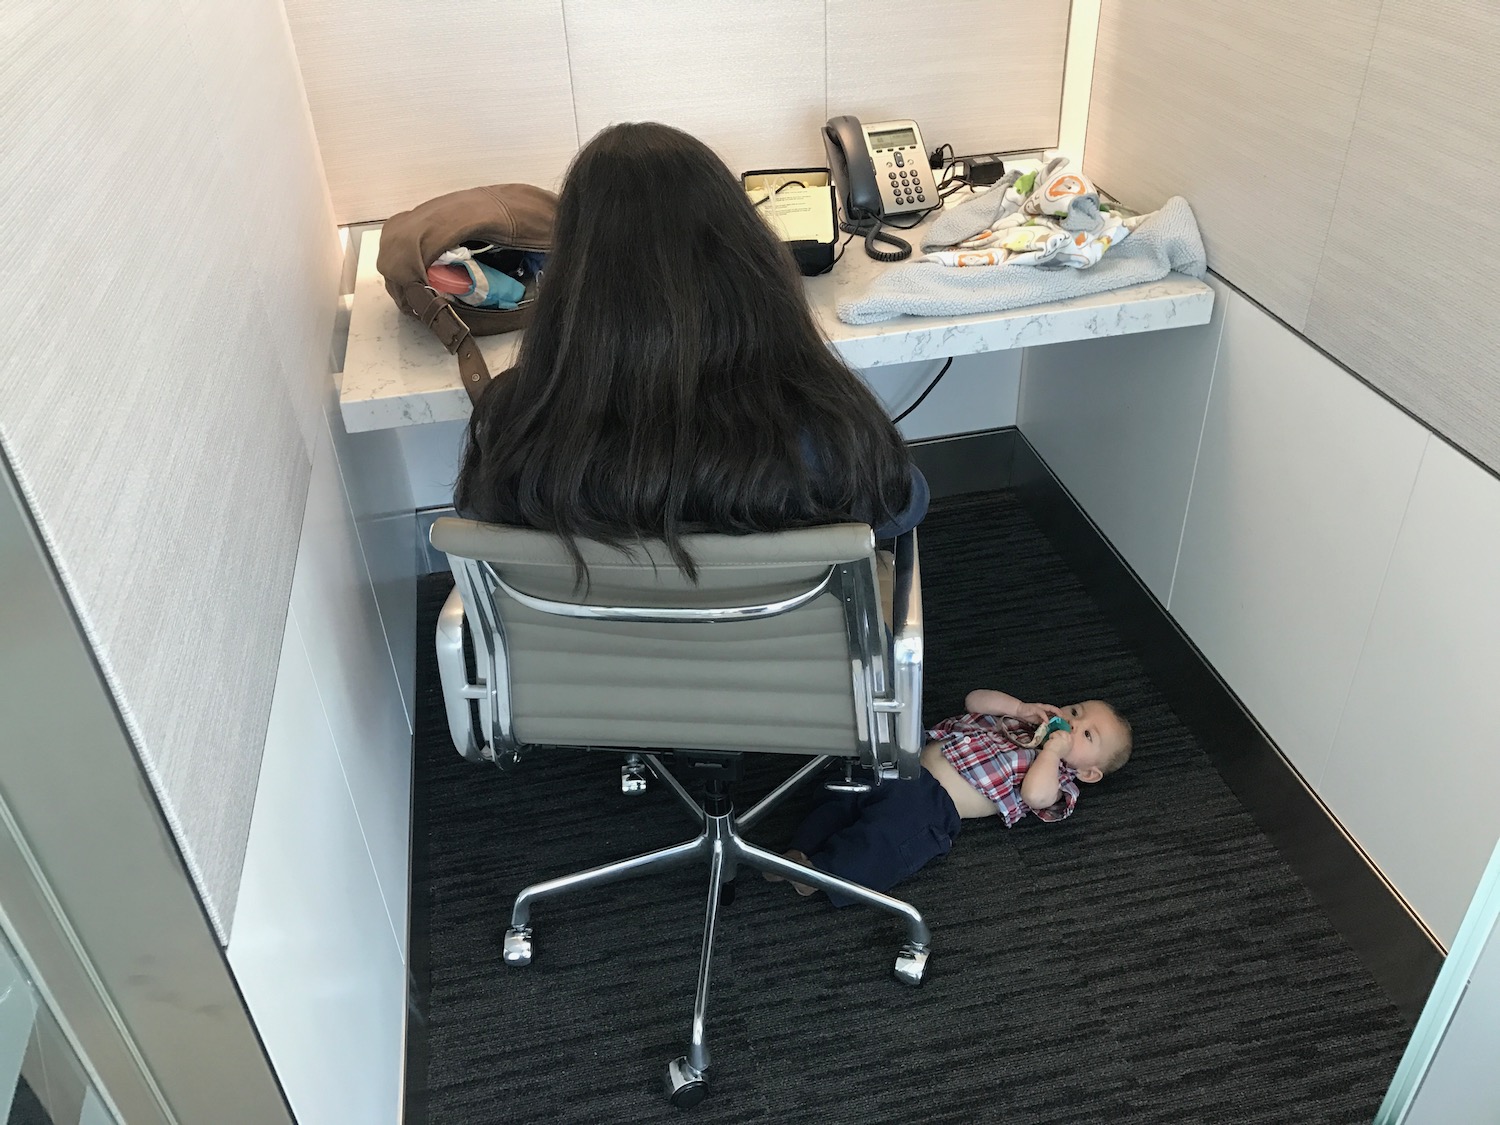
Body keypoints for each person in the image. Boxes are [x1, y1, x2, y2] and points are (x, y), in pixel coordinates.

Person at [454, 122, 927, 580]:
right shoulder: (823, 430)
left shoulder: (517, 425)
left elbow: (479, 515)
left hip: (597, 656)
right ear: (746, 258)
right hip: (776, 656)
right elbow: (901, 508)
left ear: (572, 279)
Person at [769, 689, 1133, 905]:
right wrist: (1019, 708)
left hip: (932, 804)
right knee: (843, 792)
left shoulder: (1059, 779)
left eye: (1087, 735)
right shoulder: (1024, 722)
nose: (1072, 725)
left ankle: (824, 874)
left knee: (885, 839)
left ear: (1089, 773)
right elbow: (974, 699)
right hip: (905, 760)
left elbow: (1035, 797)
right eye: (1075, 712)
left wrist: (1053, 752)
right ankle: (800, 849)